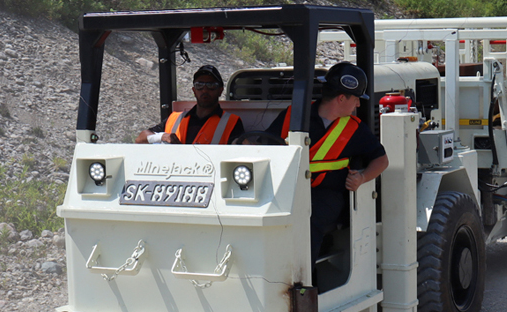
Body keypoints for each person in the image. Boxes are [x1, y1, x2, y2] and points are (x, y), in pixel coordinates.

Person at [265, 62, 389, 264]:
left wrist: (362, 178)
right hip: (287, 190)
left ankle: (305, 277)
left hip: (326, 196)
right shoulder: (291, 116)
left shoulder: (355, 129)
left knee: (308, 219)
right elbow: (265, 145)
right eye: (356, 98)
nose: (358, 104)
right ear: (341, 98)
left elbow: (382, 160)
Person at [136, 65, 245, 144]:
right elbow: (140, 139)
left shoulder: (231, 122)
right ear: (194, 90)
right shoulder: (175, 118)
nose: (205, 90)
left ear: (220, 90)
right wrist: (161, 136)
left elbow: (241, 147)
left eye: (211, 85)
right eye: (199, 85)